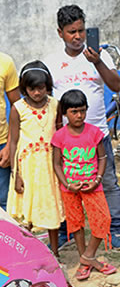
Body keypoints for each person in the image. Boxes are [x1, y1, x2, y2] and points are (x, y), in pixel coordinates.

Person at [44, 4, 120, 250]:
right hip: (67, 139)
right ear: (60, 33)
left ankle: (116, 233)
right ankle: (65, 233)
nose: (78, 36)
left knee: (109, 183)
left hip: (97, 134)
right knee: (65, 185)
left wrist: (97, 62)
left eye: (81, 30)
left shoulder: (99, 55)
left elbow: (116, 86)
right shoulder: (52, 62)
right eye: (71, 32)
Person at [51, 89, 117, 280]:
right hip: (69, 189)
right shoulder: (60, 136)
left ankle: (88, 257)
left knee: (103, 219)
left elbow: (102, 157)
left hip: (93, 187)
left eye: (82, 111)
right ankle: (85, 260)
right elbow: (56, 164)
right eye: (74, 112)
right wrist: (67, 184)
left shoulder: (94, 132)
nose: (79, 115)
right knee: (76, 224)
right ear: (64, 113)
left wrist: (97, 179)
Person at [6, 61, 63, 255]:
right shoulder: (17, 108)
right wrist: (16, 174)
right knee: (27, 210)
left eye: (41, 88)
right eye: (32, 89)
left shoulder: (55, 105)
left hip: (49, 165)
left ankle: (55, 252)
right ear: (24, 88)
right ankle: (27, 254)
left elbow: (60, 133)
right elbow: (13, 141)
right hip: (27, 166)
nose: (37, 93)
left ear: (47, 86)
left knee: (51, 206)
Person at [0, 49, 20, 210]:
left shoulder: (5, 62)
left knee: (4, 201)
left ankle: (5, 236)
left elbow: (17, 106)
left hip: (1, 143)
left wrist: (8, 146)